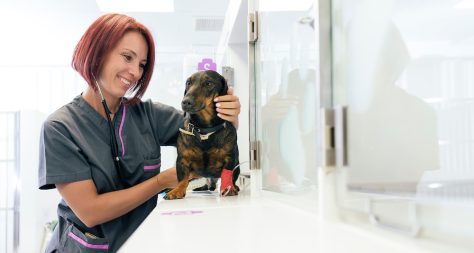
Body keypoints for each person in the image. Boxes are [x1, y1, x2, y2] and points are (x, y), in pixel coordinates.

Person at [38, 13, 241, 253]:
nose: (135, 72)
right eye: (127, 57)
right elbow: (90, 211)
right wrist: (161, 182)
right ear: (98, 51)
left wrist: (228, 115)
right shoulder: (60, 128)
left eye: (142, 65)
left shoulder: (150, 116)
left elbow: (208, 136)